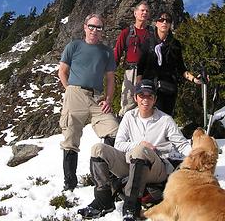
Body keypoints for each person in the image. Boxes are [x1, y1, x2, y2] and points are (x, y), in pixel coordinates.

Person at [78, 79, 191, 221]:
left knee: (139, 151)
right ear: (135, 98)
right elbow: (118, 144)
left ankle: (131, 207)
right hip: (131, 163)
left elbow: (182, 144)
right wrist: (140, 144)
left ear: (155, 99)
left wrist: (197, 157)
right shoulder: (129, 116)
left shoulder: (165, 120)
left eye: (150, 96)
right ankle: (103, 201)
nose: (146, 99)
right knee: (98, 149)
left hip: (157, 168)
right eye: (142, 95)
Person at [58, 13, 119, 191]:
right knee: (70, 138)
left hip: (97, 97)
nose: (94, 30)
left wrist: (108, 99)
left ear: (102, 31)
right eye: (91, 26)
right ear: (85, 27)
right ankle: (69, 183)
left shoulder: (107, 52)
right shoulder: (74, 46)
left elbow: (110, 79)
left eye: (98, 27)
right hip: (75, 93)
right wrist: (69, 89)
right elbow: (62, 71)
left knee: (113, 130)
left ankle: (109, 177)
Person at [137, 11, 202, 116]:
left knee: (165, 118)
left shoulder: (175, 44)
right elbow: (140, 67)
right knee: (148, 117)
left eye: (168, 21)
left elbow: (181, 68)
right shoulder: (147, 42)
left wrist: (194, 79)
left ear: (170, 24)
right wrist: (138, 87)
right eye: (161, 20)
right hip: (149, 88)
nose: (164, 22)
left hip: (168, 88)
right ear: (156, 23)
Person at [114, 0, 152, 117]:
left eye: (147, 11)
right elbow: (117, 52)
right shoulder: (126, 32)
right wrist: (110, 71)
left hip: (147, 72)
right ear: (135, 13)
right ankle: (123, 127)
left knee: (146, 101)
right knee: (128, 102)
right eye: (142, 10)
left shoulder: (152, 33)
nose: (144, 13)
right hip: (130, 71)